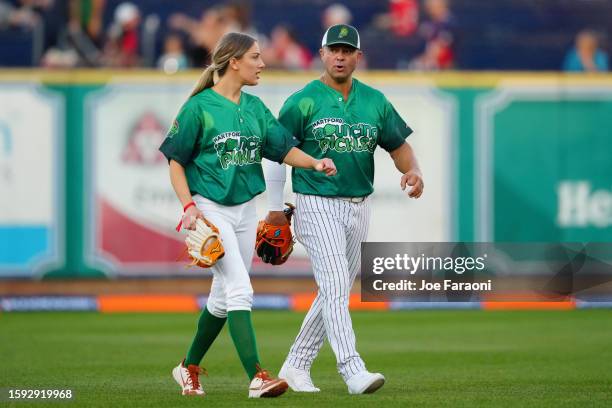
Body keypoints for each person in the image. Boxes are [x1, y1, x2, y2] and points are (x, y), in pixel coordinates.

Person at [158, 32, 337, 398]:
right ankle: (257, 377)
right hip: (210, 208)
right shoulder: (199, 108)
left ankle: (187, 368)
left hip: (243, 210)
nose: (262, 63)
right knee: (241, 289)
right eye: (255, 57)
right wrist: (189, 208)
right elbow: (176, 162)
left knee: (223, 298)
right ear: (234, 61)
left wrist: (315, 163)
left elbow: (284, 149)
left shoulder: (254, 108)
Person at [263, 24, 424, 394]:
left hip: (358, 204)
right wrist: (274, 208)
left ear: (358, 57)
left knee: (335, 289)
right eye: (333, 49)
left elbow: (398, 146)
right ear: (321, 55)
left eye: (346, 50)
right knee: (335, 283)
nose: (339, 56)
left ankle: (296, 365)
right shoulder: (303, 101)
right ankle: (352, 370)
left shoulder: (375, 101)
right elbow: (275, 153)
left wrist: (413, 170)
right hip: (316, 200)